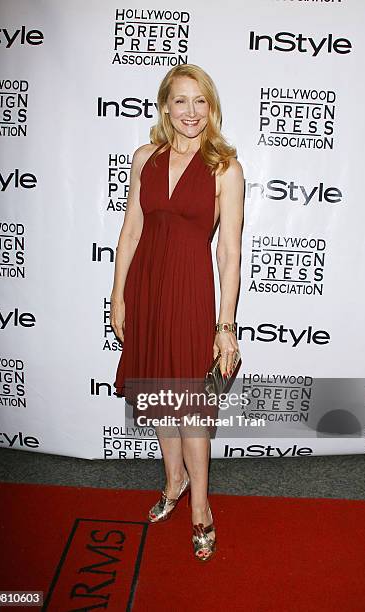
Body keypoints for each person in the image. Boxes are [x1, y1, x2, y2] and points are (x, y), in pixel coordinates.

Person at [110, 64, 244, 562]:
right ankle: (173, 482)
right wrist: (118, 295)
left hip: (190, 294)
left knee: (189, 407)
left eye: (201, 101)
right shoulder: (144, 157)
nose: (191, 112)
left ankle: (201, 510)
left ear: (211, 107)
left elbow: (228, 252)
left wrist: (225, 326)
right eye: (181, 101)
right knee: (154, 392)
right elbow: (130, 233)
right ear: (165, 106)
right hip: (145, 288)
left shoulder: (225, 167)